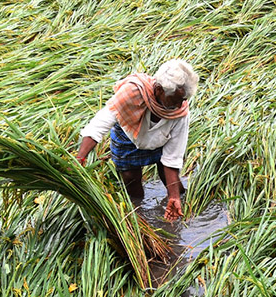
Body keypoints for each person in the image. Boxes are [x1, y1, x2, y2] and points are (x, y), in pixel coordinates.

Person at [76, 60, 198, 222]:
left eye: (182, 99)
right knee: (131, 182)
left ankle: (177, 202)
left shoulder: (179, 112)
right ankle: (138, 219)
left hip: (161, 140)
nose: (180, 105)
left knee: (173, 183)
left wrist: (174, 197)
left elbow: (172, 157)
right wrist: (80, 158)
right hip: (129, 135)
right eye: (175, 100)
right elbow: (100, 123)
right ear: (160, 90)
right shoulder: (133, 92)